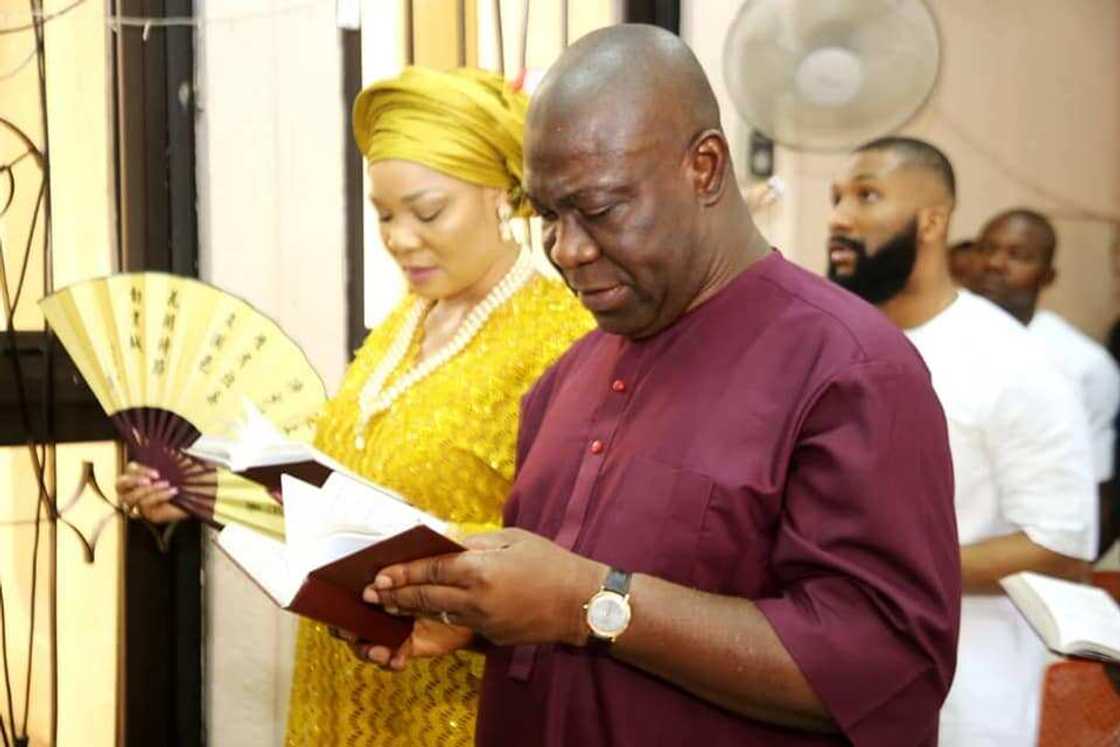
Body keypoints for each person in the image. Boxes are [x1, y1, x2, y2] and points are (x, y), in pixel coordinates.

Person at [361, 25, 961, 746]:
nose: (568, 250)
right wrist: (474, 613)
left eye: (603, 209)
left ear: (704, 168)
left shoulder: (850, 368)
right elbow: (575, 614)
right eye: (551, 217)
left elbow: (885, 663)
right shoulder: (570, 374)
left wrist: (586, 601)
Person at [116, 66, 593, 746]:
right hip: (341, 682)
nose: (400, 238)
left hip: (450, 698)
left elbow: (571, 545)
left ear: (497, 190)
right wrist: (205, 488)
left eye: (427, 212)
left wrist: (416, 541)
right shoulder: (404, 324)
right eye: (384, 215)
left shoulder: (562, 340)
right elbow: (352, 476)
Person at [827, 136, 1098, 746]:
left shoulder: (1012, 362)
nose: (840, 217)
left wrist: (877, 573)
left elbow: (1060, 549)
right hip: (832, 689)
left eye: (867, 195)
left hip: (966, 703)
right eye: (836, 197)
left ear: (933, 221)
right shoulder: (831, 343)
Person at [973, 208, 1120, 555]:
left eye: (1018, 256)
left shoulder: (1084, 365)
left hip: (1030, 563)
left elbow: (1096, 492)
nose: (996, 263)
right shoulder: (938, 340)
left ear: (1048, 276)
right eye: (987, 248)